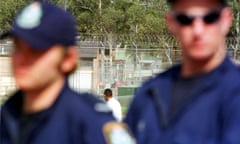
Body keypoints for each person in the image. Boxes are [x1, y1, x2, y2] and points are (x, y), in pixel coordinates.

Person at [124, 0, 240, 143]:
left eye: (210, 18)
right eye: (186, 20)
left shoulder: (234, 92)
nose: (198, 31)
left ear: (226, 20)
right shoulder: (149, 94)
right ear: (171, 22)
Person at [0, 1, 116, 144]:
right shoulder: (8, 114)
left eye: (36, 50)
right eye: (18, 47)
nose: (21, 59)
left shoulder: (91, 124)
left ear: (68, 59)